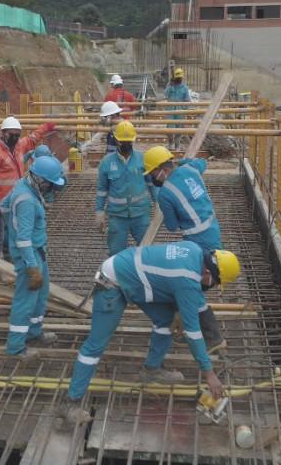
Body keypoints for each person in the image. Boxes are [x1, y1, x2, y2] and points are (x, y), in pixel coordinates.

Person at [58, 242, 241, 425]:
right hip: (113, 281)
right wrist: (209, 373)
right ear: (209, 273)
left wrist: (180, 308)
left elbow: (178, 285)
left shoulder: (195, 251)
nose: (214, 287)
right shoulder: (187, 281)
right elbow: (193, 332)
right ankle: (70, 402)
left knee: (166, 321)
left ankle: (152, 370)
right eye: (216, 283)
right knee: (96, 344)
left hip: (137, 277)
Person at [143, 145, 227, 352]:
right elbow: (202, 162)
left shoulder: (165, 194)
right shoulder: (191, 169)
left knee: (190, 288)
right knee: (194, 287)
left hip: (197, 242)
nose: (153, 177)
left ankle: (212, 337)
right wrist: (183, 162)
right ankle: (189, 329)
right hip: (213, 232)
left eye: (152, 172)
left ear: (160, 169)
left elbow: (172, 226)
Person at [1, 156, 66, 359]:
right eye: (50, 184)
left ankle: (34, 332)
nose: (51, 188)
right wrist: (31, 267)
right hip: (29, 256)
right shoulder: (27, 200)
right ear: (40, 179)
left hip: (38, 251)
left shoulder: (26, 186)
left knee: (41, 294)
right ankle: (16, 347)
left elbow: (4, 206)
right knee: (25, 300)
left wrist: (12, 223)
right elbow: (23, 239)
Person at [0, 116, 56, 257]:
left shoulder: (18, 147)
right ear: (3, 133)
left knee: (17, 232)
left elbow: (32, 139)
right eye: (12, 134)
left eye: (17, 134)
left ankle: (17, 261)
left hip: (16, 199)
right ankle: (0, 267)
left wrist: (46, 127)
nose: (15, 137)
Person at [95, 121, 153, 255]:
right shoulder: (107, 162)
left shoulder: (142, 158)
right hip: (117, 216)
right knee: (116, 252)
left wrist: (158, 203)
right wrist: (99, 211)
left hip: (141, 214)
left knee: (145, 251)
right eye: (122, 141)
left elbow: (151, 184)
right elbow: (102, 190)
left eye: (129, 141)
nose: (126, 144)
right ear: (116, 139)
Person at [164, 68, 190, 149]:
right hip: (170, 110)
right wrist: (170, 85)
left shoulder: (184, 88)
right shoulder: (170, 85)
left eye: (180, 78)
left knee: (179, 129)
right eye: (178, 78)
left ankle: (177, 145)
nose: (179, 79)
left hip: (180, 111)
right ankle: (170, 143)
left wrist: (184, 109)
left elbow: (187, 100)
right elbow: (165, 94)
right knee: (169, 128)